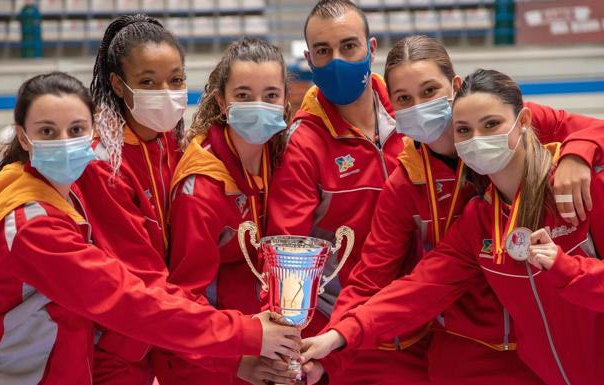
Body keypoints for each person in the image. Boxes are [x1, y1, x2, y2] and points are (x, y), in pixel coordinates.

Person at [0, 72, 301, 385]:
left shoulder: (62, 192)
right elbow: (126, 300)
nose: (64, 142)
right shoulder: (31, 227)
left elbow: (140, 284)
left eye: (76, 129)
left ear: (93, 131)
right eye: (47, 132)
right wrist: (247, 334)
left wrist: (234, 356)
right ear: (24, 137)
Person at [321, 35, 604, 385]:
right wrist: (335, 339)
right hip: (492, 347)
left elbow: (588, 127)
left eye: (429, 91)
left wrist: (580, 153)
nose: (478, 138)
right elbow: (413, 286)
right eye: (403, 98)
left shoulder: (570, 178)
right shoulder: (465, 214)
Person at [266, 1, 421, 382]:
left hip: (426, 326)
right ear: (309, 58)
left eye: (348, 47)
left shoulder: (412, 112)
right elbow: (290, 254)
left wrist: (582, 150)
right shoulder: (303, 144)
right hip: (347, 343)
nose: (336, 60)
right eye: (323, 51)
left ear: (371, 49)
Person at [151, 37, 296, 385]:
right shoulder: (202, 186)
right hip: (206, 362)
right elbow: (184, 300)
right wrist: (234, 362)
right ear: (222, 101)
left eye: (271, 96)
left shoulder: (277, 157)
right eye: (244, 96)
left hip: (257, 345)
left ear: (285, 101)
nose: (258, 106)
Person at [77, 14, 188, 384]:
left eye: (175, 80)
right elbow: (143, 279)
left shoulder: (171, 143)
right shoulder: (102, 162)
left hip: (164, 332)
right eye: (147, 82)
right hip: (115, 345)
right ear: (118, 85)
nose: (166, 92)